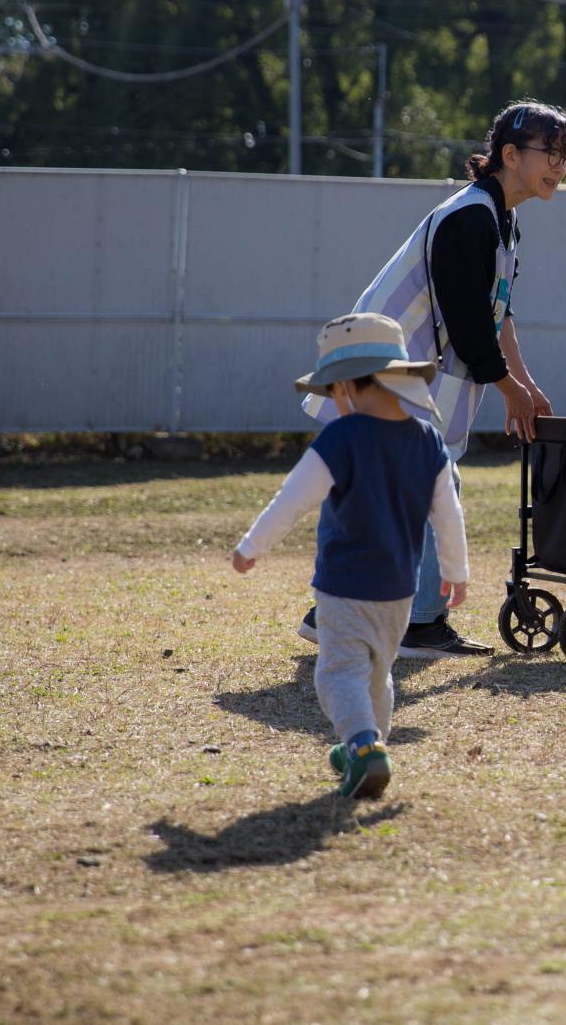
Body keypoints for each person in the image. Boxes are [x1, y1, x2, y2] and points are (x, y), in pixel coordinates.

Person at [298, 99, 566, 658]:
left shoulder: (502, 221)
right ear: (510, 154)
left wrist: (525, 381)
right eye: (551, 152)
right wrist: (511, 390)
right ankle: (383, 620)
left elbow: (498, 313)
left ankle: (376, 618)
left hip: (415, 378)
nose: (560, 166)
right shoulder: (469, 217)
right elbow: (467, 319)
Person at [233, 313, 469, 799]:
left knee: (340, 671)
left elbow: (292, 500)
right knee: (378, 674)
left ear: (344, 389)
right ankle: (366, 747)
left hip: (343, 588)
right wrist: (455, 573)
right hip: (400, 593)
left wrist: (251, 547)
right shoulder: (428, 440)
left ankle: (362, 745)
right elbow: (448, 512)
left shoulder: (341, 439)